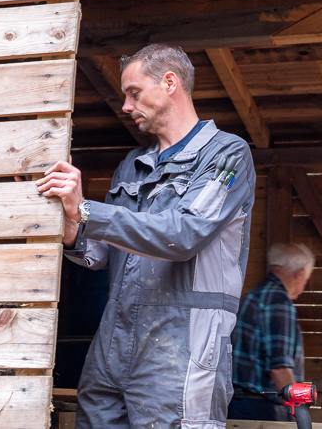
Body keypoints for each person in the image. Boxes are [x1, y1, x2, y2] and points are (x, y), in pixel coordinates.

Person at [36, 44, 256, 429]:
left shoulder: (227, 156)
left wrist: (86, 209)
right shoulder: (133, 165)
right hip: (113, 347)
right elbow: (100, 252)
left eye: (134, 93)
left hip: (182, 350)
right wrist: (70, 219)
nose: (126, 106)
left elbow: (184, 234)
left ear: (169, 83)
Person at [229, 243, 316, 426]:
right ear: (300, 273)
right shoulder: (278, 301)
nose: (302, 289)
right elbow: (279, 368)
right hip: (261, 409)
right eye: (306, 280)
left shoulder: (254, 294)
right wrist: (302, 420)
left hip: (238, 404)